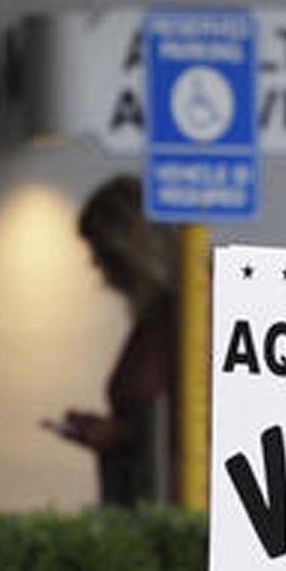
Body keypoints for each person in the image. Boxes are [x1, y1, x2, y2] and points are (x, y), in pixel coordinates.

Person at [46, 175, 179, 507]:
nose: (96, 269)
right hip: (147, 498)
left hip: (170, 506)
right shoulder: (157, 318)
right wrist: (118, 433)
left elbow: (198, 425)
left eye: (101, 255)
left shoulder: (187, 314)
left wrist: (120, 435)